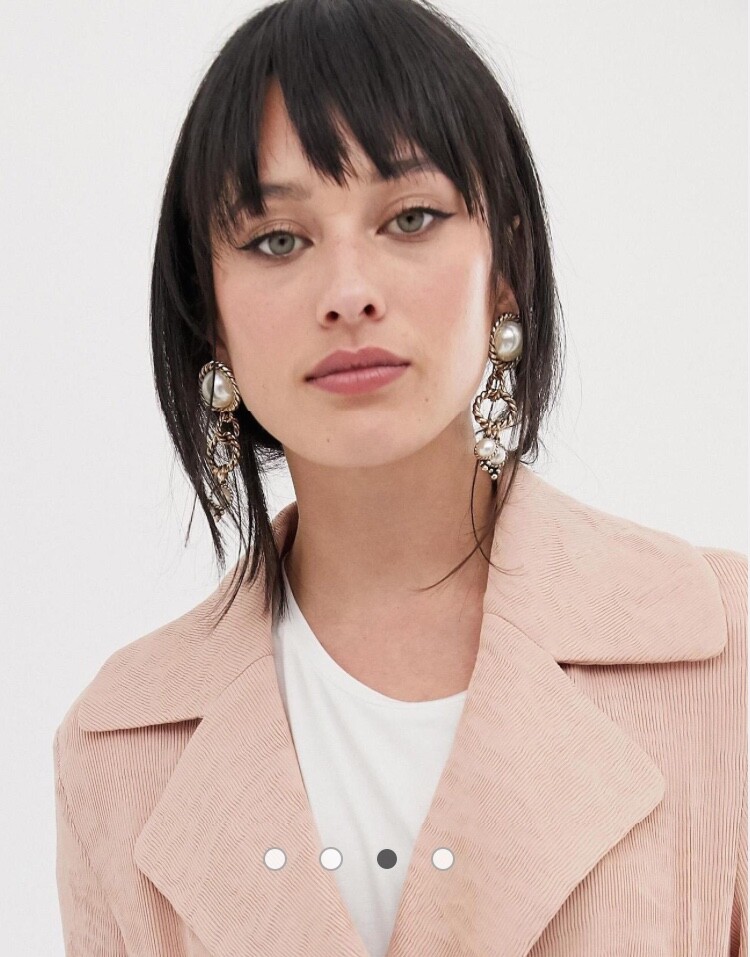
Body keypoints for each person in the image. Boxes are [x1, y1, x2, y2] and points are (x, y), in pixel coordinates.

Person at [53, 0, 747, 954]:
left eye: (411, 218)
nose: (349, 293)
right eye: (277, 239)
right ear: (208, 309)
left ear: (504, 265)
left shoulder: (726, 654)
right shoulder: (117, 749)